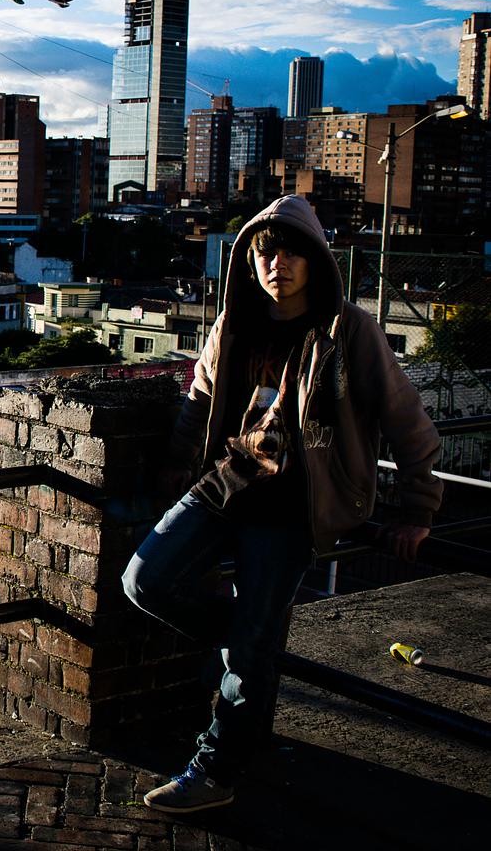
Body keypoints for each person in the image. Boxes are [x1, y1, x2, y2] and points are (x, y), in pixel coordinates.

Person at [122, 195, 441, 813]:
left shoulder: (348, 330)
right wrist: (175, 462)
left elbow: (408, 421)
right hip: (225, 485)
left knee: (249, 652)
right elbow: (199, 396)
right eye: (266, 253)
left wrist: (417, 510)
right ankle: (250, 642)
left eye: (292, 252)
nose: (278, 264)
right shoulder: (234, 322)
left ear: (315, 260)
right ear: (249, 261)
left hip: (295, 508)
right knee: (145, 581)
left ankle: (216, 771)